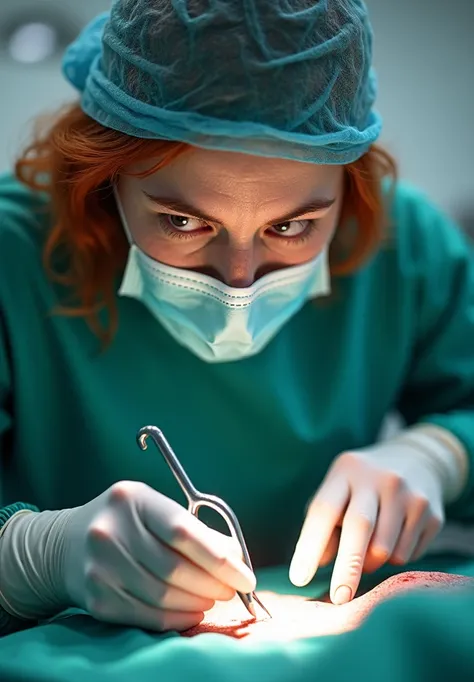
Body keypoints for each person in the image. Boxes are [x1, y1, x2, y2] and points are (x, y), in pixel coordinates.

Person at [0, 0, 473, 640]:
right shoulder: (16, 254)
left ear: (351, 187)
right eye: (184, 221)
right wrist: (32, 557)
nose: (240, 277)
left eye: (292, 225)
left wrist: (441, 453)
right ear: (105, 180)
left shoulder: (402, 243)